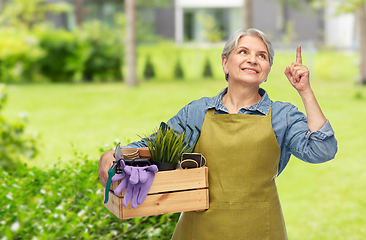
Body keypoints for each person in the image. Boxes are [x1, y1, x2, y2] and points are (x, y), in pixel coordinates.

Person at [98, 28, 337, 239]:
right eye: (243, 52)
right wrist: (114, 155)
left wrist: (305, 91)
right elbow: (155, 145)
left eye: (261, 56)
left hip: (261, 231)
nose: (252, 59)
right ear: (225, 63)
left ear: (267, 70)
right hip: (199, 231)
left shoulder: (282, 115)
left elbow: (322, 150)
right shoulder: (198, 112)